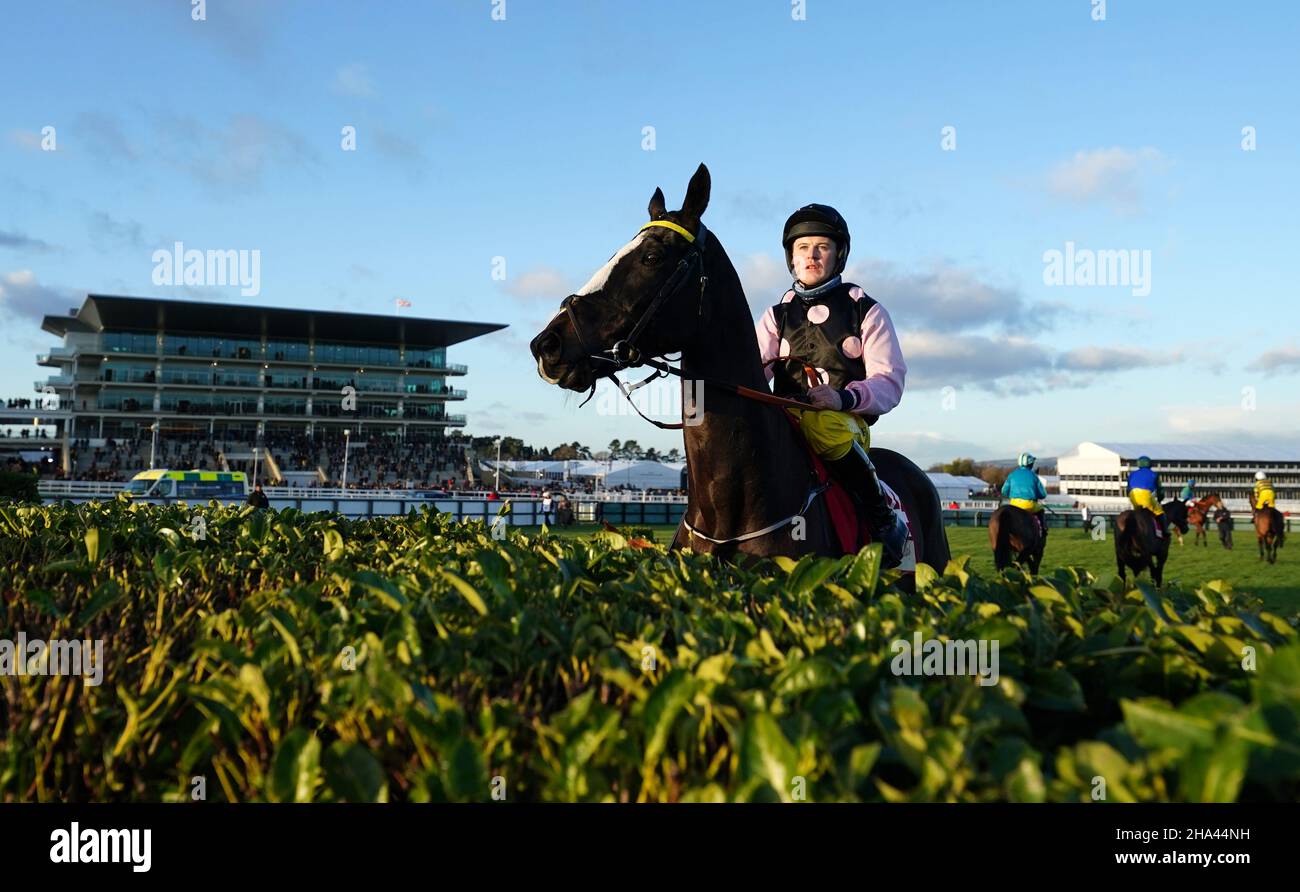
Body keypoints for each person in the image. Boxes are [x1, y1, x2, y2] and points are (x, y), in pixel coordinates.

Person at [754, 204, 909, 567]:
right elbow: (754, 369)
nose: (811, 255)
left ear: (838, 254)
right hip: (787, 421)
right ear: (791, 257)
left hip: (844, 422)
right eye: (802, 247)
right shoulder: (776, 314)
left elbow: (890, 381)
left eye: (821, 246)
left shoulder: (865, 310)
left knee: (821, 423)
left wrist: (842, 398)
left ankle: (883, 519)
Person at [1002, 453, 1048, 542]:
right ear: (1030, 464)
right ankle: (1043, 530)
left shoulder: (1012, 474)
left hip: (1014, 505)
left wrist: (1013, 495)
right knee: (1041, 509)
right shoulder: (1034, 476)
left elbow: (1004, 491)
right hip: (1029, 505)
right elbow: (1043, 494)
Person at [1125, 455, 1167, 538]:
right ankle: (1164, 533)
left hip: (1133, 495)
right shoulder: (1154, 474)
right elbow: (1160, 490)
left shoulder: (1132, 474)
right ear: (1150, 464)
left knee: (1137, 513)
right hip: (1146, 495)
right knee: (1160, 513)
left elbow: (1128, 489)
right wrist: (1160, 499)